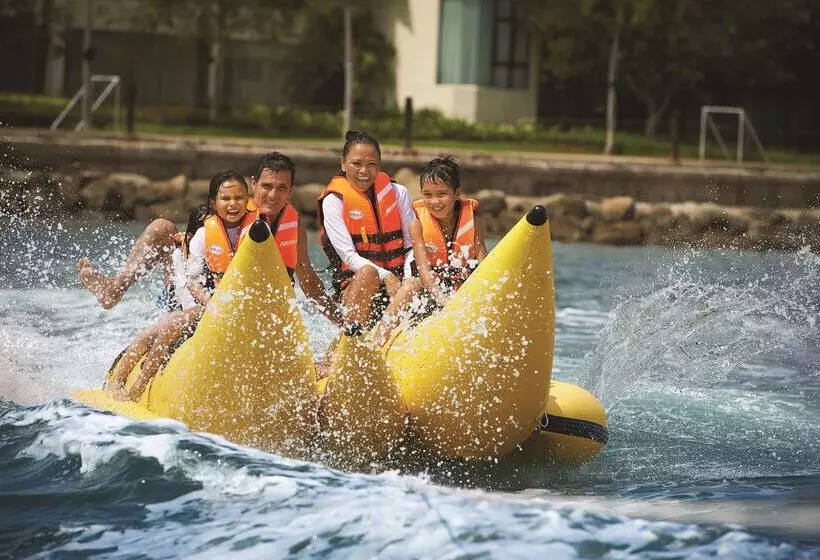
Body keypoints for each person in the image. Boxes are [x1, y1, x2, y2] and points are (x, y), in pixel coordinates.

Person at [107, 169, 253, 401]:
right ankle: (126, 387)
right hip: (207, 307)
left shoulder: (256, 231)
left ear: (249, 199)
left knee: (170, 322)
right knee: (159, 329)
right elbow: (193, 283)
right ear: (215, 203)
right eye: (226, 199)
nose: (233, 204)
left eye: (238, 198)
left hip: (238, 311)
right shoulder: (203, 237)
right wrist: (212, 305)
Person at [371, 154, 488, 345]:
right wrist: (446, 303)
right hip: (425, 289)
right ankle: (377, 343)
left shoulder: (473, 222)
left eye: (442, 194)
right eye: (427, 195)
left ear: (457, 193)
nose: (434, 202)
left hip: (456, 288)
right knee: (411, 287)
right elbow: (424, 274)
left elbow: (483, 260)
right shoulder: (417, 223)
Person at [316, 130, 416, 334]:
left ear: (379, 165)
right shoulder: (334, 201)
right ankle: (350, 346)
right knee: (368, 273)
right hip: (357, 287)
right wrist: (387, 277)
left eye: (372, 165)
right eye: (356, 164)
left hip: (398, 287)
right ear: (343, 164)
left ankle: (379, 343)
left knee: (413, 285)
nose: (364, 171)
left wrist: (405, 281)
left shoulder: (399, 193)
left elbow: (411, 245)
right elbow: (349, 257)